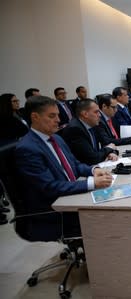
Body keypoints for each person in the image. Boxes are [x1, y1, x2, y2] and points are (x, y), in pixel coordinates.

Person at [15, 95, 113, 240]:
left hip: (71, 194)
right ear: (35, 117)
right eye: (52, 116)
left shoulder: (56, 138)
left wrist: (93, 170)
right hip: (54, 210)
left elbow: (75, 164)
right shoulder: (27, 149)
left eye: (58, 115)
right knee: (112, 216)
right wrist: (91, 182)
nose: (59, 120)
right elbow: (49, 187)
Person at [62, 99, 118, 165]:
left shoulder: (92, 123)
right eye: (96, 112)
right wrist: (108, 149)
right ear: (85, 114)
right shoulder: (75, 129)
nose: (99, 115)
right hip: (85, 170)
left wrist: (111, 152)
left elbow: (106, 143)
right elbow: (92, 158)